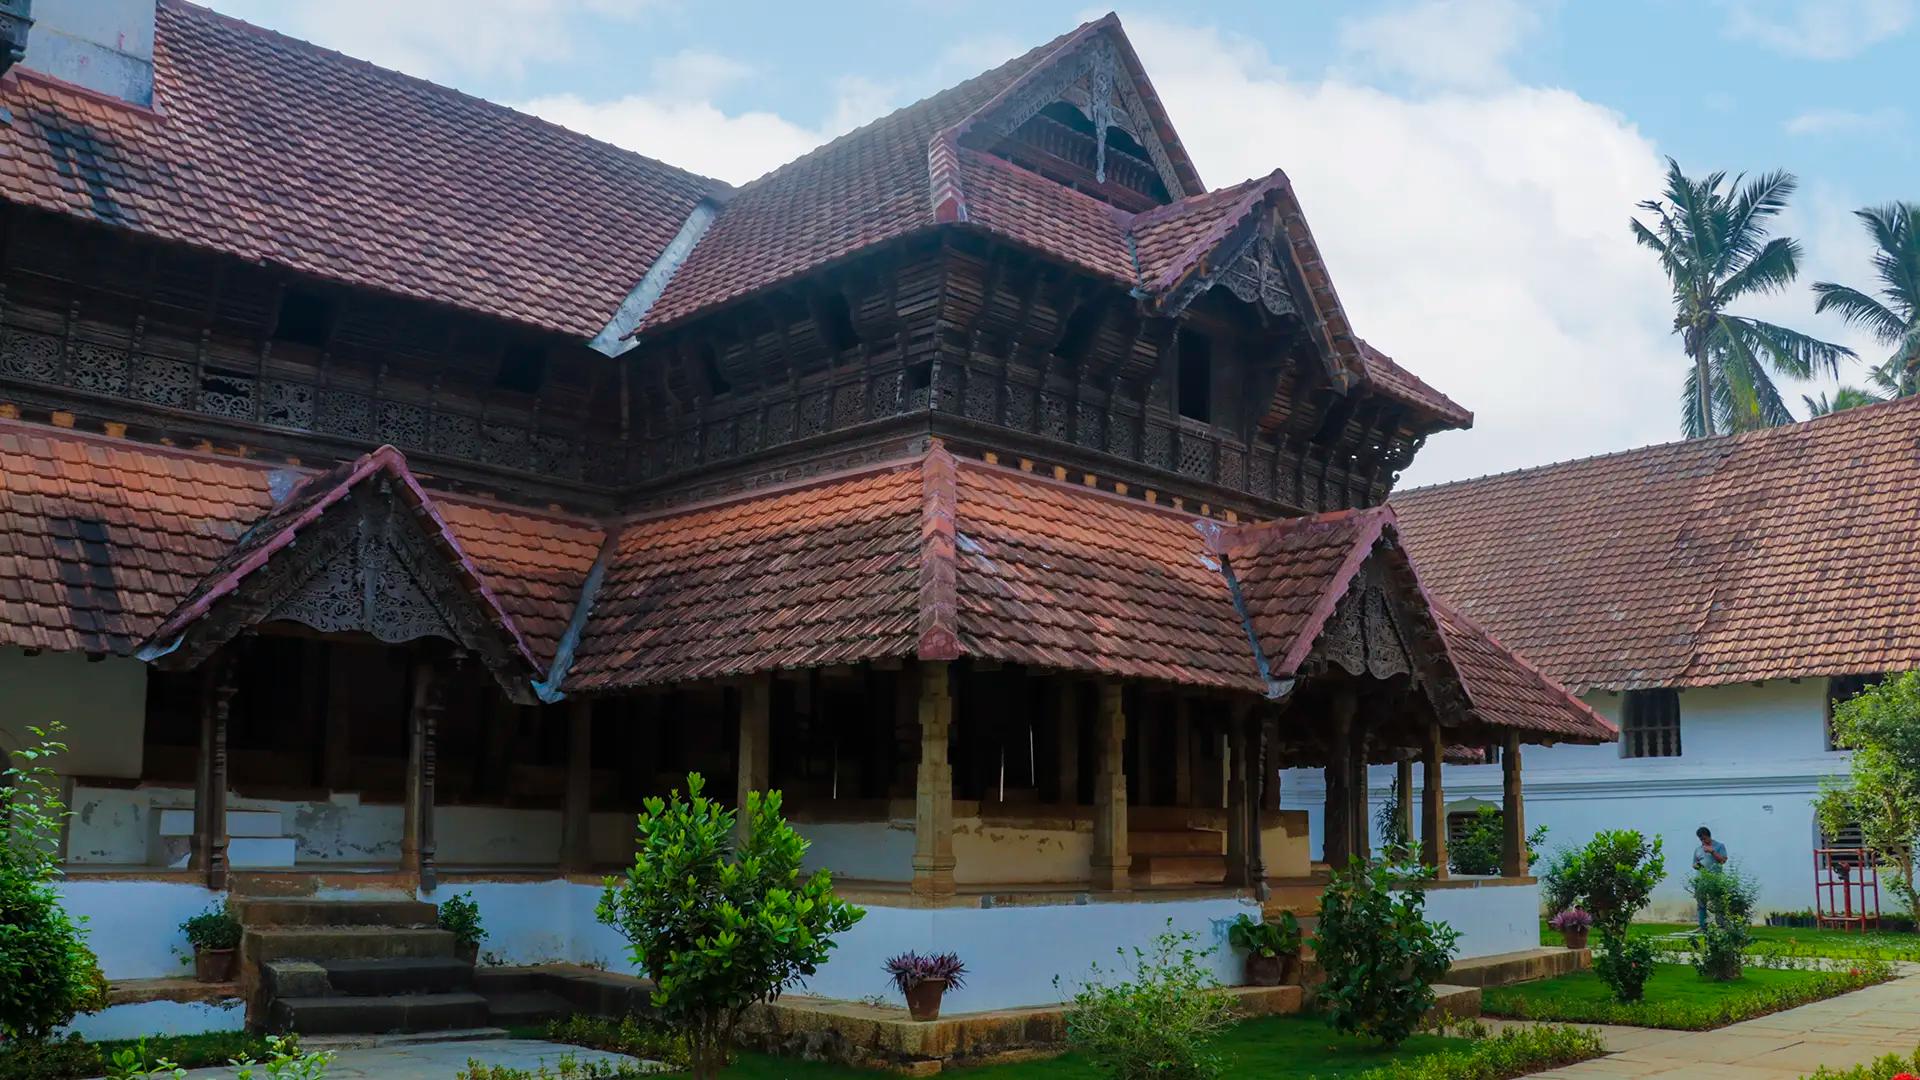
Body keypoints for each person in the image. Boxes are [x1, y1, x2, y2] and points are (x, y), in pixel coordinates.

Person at [1692, 826, 1728, 930]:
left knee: (1717, 903)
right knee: (1701, 904)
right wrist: (1697, 865)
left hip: (1714, 879)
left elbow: (1723, 860)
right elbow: (1694, 864)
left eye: (1704, 838)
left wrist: (1712, 852)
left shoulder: (1719, 846)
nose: (1703, 841)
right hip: (1700, 880)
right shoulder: (1698, 849)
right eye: (1701, 839)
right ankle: (1702, 926)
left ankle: (1721, 925)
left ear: (1709, 836)